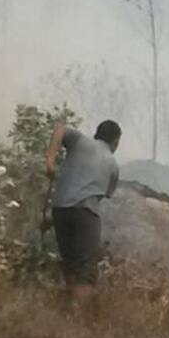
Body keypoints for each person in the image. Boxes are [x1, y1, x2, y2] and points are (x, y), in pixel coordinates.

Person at [44, 119, 121, 306]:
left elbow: (59, 128)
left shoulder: (79, 141)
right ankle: (80, 322)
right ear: (116, 142)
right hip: (85, 212)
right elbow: (103, 195)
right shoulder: (113, 165)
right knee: (85, 270)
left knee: (69, 263)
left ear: (97, 133)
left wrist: (50, 160)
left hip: (60, 209)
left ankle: (67, 311)